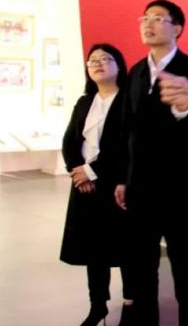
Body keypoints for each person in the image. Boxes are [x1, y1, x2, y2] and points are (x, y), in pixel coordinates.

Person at [115, 0, 188, 326]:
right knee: (142, 265)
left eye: (158, 18)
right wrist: (123, 178)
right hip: (139, 187)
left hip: (178, 188)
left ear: (177, 28)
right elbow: (127, 129)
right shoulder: (136, 72)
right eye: (145, 18)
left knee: (183, 264)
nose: (148, 24)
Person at [60, 44, 134, 326]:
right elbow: (70, 140)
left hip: (117, 184)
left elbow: (125, 146)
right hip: (84, 186)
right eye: (93, 61)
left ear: (119, 65)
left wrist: (91, 171)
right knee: (93, 249)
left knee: (125, 247)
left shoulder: (128, 100)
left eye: (106, 59)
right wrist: (76, 171)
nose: (98, 64)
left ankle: (130, 303)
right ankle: (97, 305)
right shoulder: (84, 102)